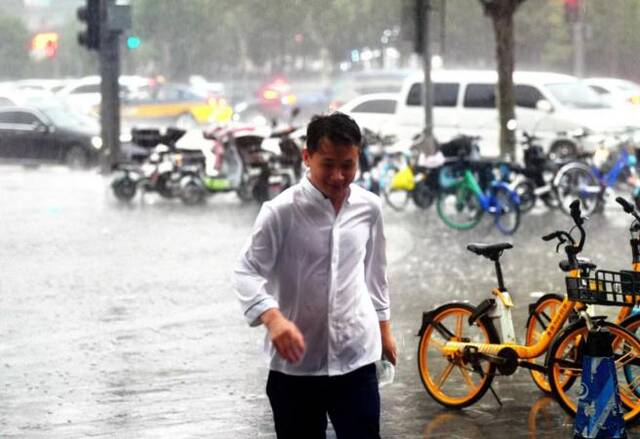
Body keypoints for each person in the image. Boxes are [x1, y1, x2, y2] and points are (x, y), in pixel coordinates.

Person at [233, 112, 397, 439]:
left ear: (358, 159)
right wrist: (273, 319)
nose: (338, 176)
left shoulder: (370, 208)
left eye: (348, 165)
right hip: (296, 366)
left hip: (356, 357)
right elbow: (246, 271)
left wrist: (384, 331)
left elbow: (375, 276)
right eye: (328, 164)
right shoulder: (280, 211)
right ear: (307, 157)